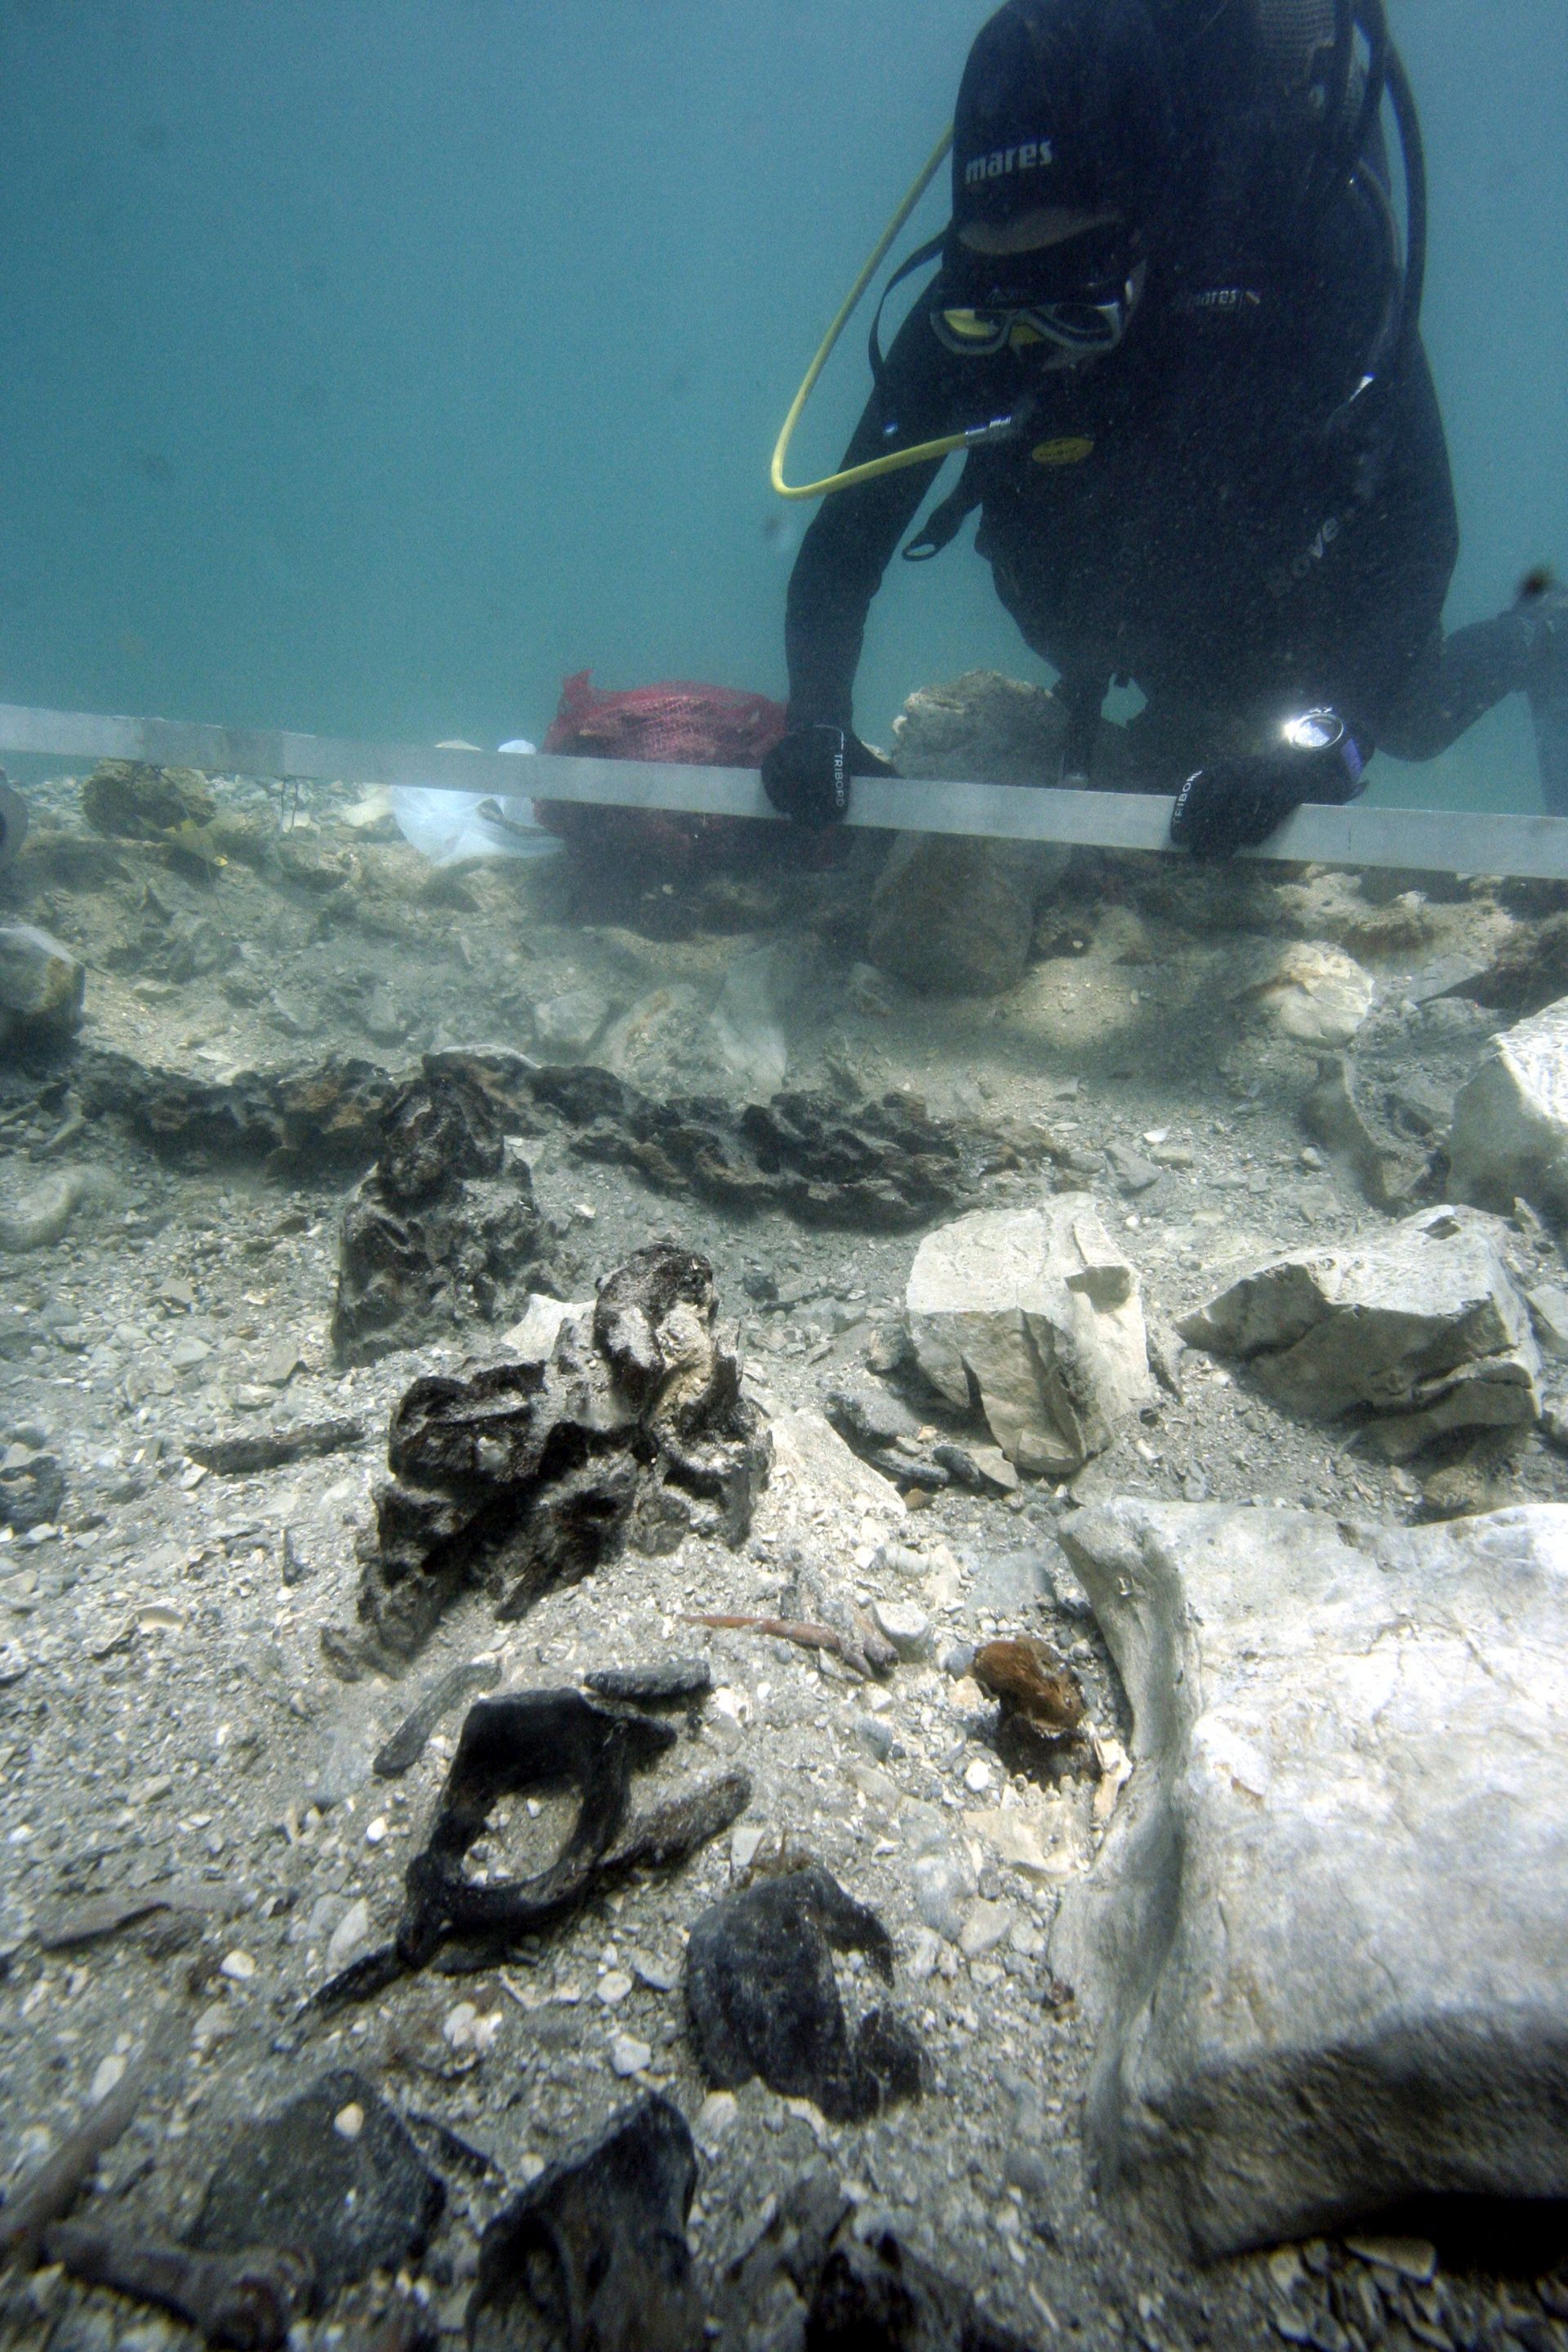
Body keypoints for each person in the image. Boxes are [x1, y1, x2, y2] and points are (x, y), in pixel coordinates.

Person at [761, 0, 1568, 854]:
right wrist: (817, 717)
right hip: (1123, 611)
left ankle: (1543, 634)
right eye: (990, 326)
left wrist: (1330, 745)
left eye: (1076, 317)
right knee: (1169, 748)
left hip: (1291, 595)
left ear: (1149, 232)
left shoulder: (1302, 244)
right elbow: (845, 541)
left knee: (1410, 720)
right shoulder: (976, 292)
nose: (1035, 349)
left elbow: (1418, 536)